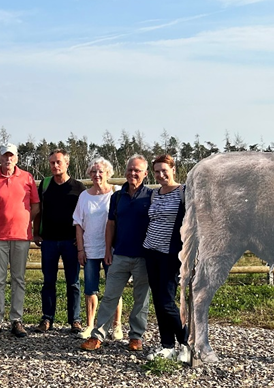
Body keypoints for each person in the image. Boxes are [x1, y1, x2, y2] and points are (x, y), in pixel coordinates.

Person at [81, 154, 153, 353]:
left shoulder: (151, 197)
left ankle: (136, 336)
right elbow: (110, 224)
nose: (132, 173)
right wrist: (107, 250)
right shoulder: (117, 197)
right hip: (119, 254)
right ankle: (98, 336)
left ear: (145, 174)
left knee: (141, 298)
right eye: (130, 169)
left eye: (137, 170)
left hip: (143, 256)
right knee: (110, 296)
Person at [0, 144, 40, 338]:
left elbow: (36, 206)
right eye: (5, 156)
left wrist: (24, 220)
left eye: (11, 156)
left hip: (21, 236)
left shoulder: (27, 177)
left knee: (18, 279)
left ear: (17, 158)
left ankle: (16, 319)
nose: (8, 159)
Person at [143, 154, 191, 362]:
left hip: (171, 254)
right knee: (157, 300)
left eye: (164, 170)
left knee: (167, 302)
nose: (161, 175)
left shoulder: (184, 193)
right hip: (151, 252)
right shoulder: (154, 194)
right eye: (157, 171)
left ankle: (188, 343)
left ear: (173, 169)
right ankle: (167, 346)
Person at [33, 149, 86, 334]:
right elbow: (38, 210)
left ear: (67, 163)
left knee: (73, 282)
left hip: (71, 242)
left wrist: (81, 241)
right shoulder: (45, 185)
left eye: (58, 162)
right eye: (52, 163)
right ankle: (47, 318)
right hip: (48, 241)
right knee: (48, 281)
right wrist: (36, 233)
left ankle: (75, 320)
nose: (55, 166)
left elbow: (84, 217)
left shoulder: (79, 188)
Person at [72, 157, 123, 340]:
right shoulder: (84, 196)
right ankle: (90, 325)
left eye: (101, 171)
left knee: (114, 288)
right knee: (90, 289)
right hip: (90, 248)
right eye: (93, 172)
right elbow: (78, 223)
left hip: (112, 249)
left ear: (108, 173)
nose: (97, 175)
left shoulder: (116, 194)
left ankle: (116, 326)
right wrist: (81, 249)